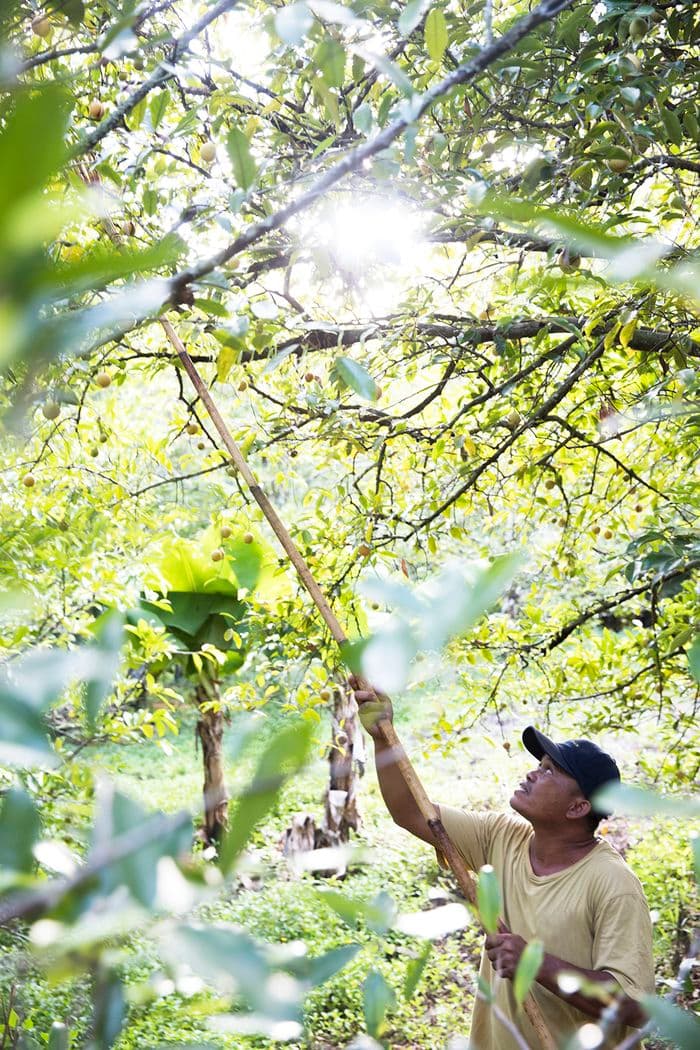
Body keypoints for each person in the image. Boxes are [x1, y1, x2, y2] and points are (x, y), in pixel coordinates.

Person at [349, 677, 655, 1050]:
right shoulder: (501, 837)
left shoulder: (612, 883)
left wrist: (535, 964)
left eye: (549, 772)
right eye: (538, 765)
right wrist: (383, 737)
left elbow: (634, 1006)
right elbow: (412, 812)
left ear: (578, 808)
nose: (531, 773)